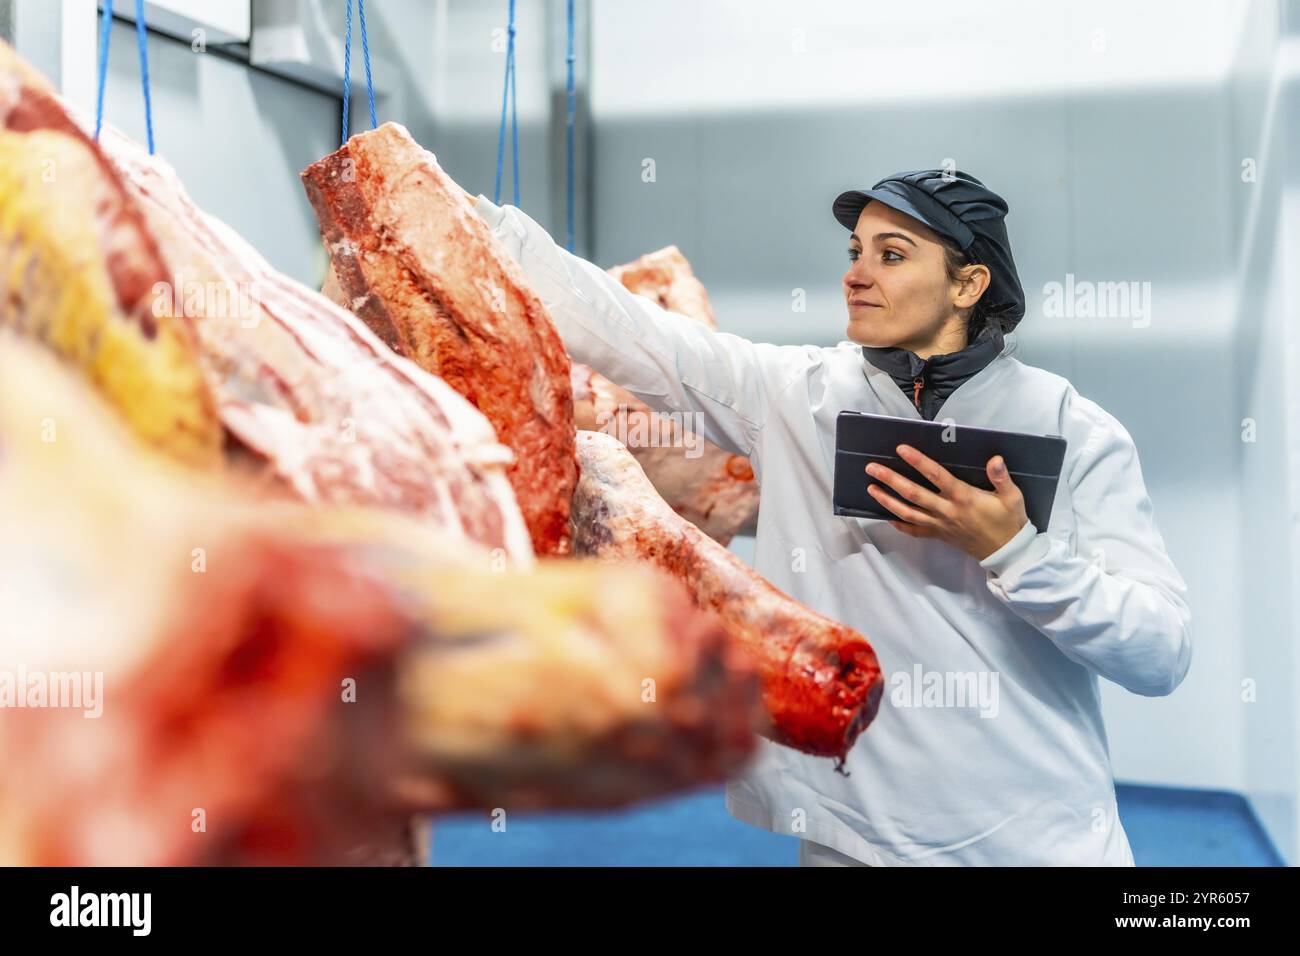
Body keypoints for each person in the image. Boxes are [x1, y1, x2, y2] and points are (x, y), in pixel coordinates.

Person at [463, 168, 1192, 866]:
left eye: (892, 254)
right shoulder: (792, 395)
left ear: (969, 284)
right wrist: (471, 220)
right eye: (854, 251)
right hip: (852, 835)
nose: (856, 272)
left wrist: (1015, 553)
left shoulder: (1075, 429)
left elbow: (1159, 651)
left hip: (1027, 837)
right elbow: (631, 332)